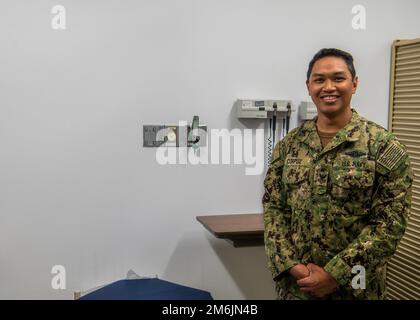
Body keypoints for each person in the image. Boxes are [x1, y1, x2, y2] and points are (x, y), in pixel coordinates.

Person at [262, 48, 413, 300]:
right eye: (319, 79)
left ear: (354, 84)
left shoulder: (383, 146)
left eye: (338, 78)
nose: (328, 87)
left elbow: (389, 224)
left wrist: (335, 274)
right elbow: (274, 208)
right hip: (298, 288)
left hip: (356, 288)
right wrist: (291, 266)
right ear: (308, 86)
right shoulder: (290, 145)